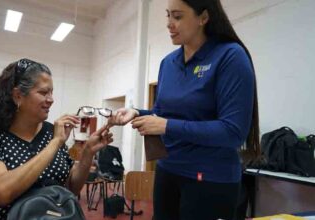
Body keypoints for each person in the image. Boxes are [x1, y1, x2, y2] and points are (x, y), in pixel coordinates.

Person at [109, 0, 260, 219]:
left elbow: (233, 132)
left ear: (203, 17)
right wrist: (138, 113)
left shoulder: (230, 56)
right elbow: (161, 112)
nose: (169, 24)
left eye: (178, 17)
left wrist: (166, 126)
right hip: (167, 170)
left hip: (210, 178)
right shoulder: (168, 63)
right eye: (168, 15)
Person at [0, 58, 113, 220]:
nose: (51, 99)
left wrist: (88, 153)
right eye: (43, 92)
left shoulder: (51, 132)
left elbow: (70, 188)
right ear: (18, 96)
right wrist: (55, 143)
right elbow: (1, 192)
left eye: (52, 92)